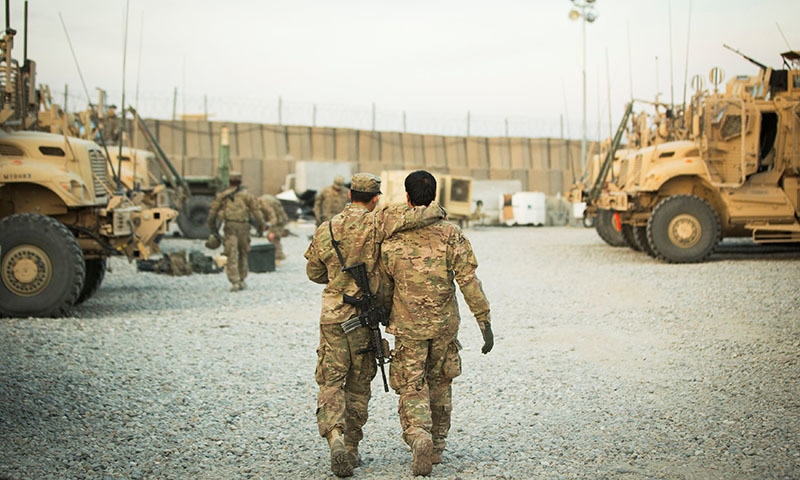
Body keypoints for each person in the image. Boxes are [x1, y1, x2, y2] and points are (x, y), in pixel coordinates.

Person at [304, 173, 445, 478]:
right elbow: (413, 216)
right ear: (375, 197)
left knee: (330, 382)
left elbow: (314, 272)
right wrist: (437, 211)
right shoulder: (377, 222)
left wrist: (336, 277)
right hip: (362, 318)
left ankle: (335, 438)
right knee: (357, 385)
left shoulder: (325, 229)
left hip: (332, 318)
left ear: (349, 195)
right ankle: (352, 448)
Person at [380, 170, 493, 476]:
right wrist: (485, 322)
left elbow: (384, 287)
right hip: (444, 327)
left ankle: (419, 436)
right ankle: (438, 446)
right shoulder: (451, 234)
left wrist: (381, 317)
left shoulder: (394, 238)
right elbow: (469, 280)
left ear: (406, 197)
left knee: (412, 384)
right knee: (441, 383)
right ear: (435, 196)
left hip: (408, 327)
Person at [207, 176, 265, 291]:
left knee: (231, 254)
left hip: (230, 227)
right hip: (244, 227)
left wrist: (213, 229)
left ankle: (235, 281)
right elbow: (256, 212)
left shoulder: (223, 196)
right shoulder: (247, 196)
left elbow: (212, 213)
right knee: (243, 253)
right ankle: (242, 279)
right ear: (240, 182)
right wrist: (261, 226)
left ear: (229, 182)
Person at [258, 193, 289, 261]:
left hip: (278, 220)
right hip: (280, 219)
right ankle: (278, 254)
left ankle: (278, 256)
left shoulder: (264, 203)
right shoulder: (264, 199)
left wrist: (272, 229)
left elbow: (272, 216)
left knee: (273, 237)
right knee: (273, 237)